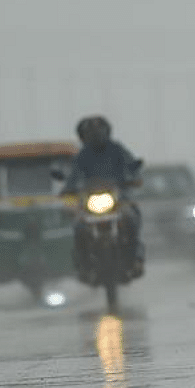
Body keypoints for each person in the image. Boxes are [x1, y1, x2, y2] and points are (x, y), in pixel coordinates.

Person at [63, 115, 144, 278]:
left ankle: (136, 259)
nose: (96, 135)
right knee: (78, 227)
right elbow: (74, 175)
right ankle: (83, 265)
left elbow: (131, 166)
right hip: (90, 204)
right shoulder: (83, 155)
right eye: (91, 132)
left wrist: (133, 178)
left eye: (99, 131)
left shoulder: (117, 149)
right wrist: (68, 188)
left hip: (118, 200)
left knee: (131, 219)